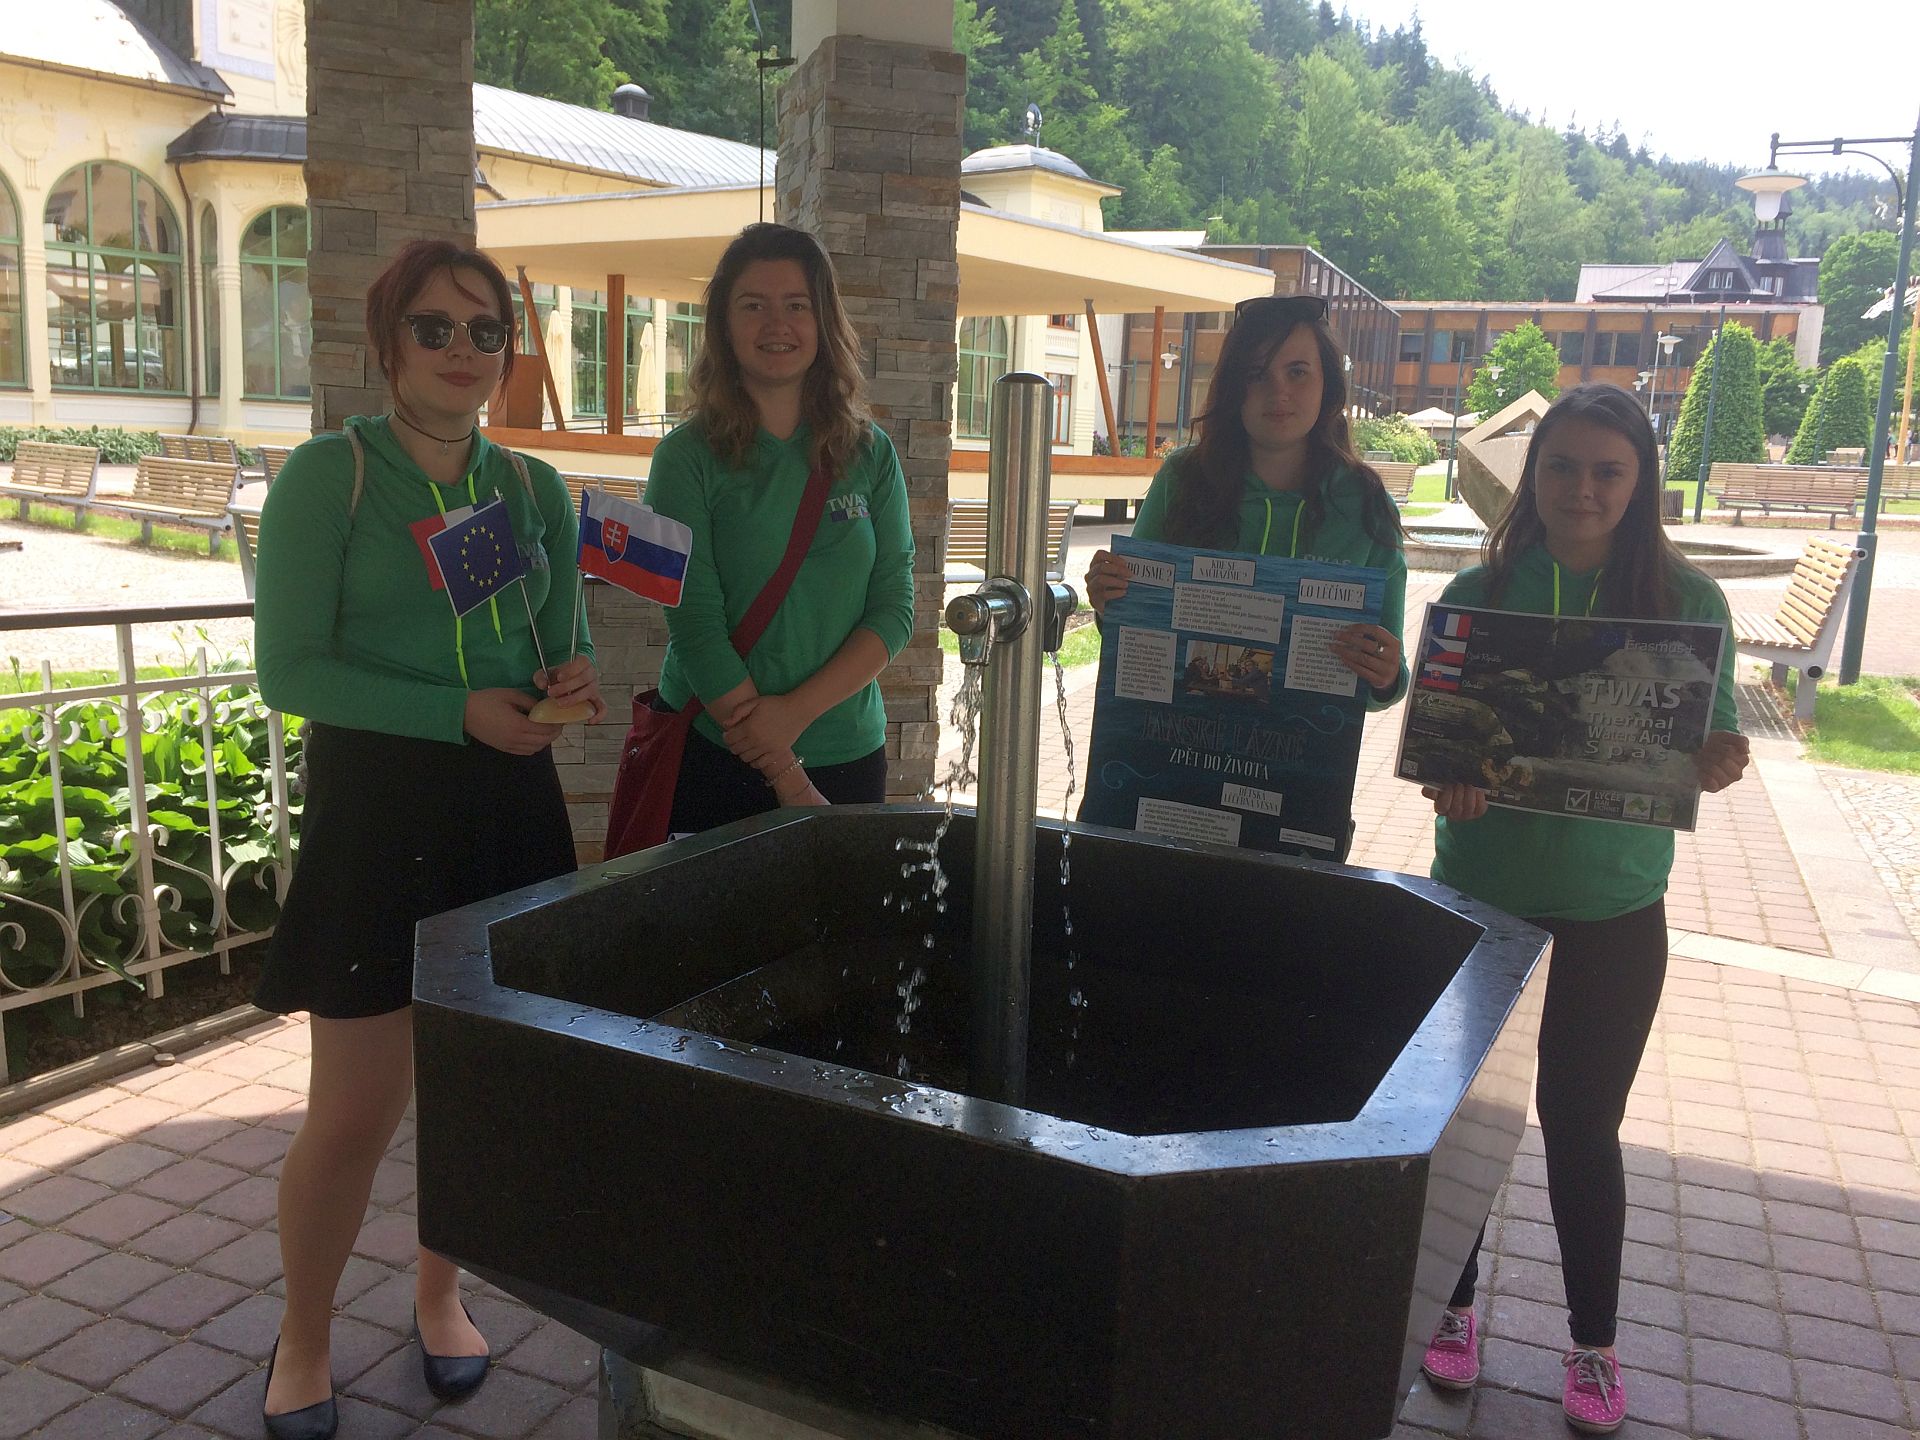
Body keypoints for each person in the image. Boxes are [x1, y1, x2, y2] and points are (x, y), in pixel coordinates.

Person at [252, 239, 604, 1439]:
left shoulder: (531, 490)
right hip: (378, 813)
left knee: (469, 1092)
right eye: (433, 327)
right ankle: (304, 1338)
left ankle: (439, 1295)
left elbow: (556, 642)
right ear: (387, 342)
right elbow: (290, 672)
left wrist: (567, 680)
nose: (462, 350)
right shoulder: (331, 478)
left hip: (506, 810)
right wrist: (455, 712)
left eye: (485, 330)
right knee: (355, 1109)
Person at [1414, 383, 1750, 1435]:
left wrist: (1720, 758)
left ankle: (1594, 1345)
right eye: (1562, 467)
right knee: (1462, 1121)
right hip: (1482, 898)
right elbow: (1441, 742)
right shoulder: (1478, 591)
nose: (1584, 489)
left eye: (1609, 470)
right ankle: (1451, 1305)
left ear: (1641, 481)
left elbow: (1715, 735)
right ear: (1534, 476)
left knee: (1582, 1128)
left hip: (1615, 908)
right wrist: (1449, 778)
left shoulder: (1689, 602)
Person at [643, 222, 915, 833]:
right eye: (753, 306)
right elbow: (696, 627)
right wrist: (786, 771)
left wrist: (795, 713)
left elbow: (895, 608)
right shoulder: (684, 459)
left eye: (797, 305)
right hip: (718, 753)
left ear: (824, 321)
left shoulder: (870, 454)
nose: (777, 324)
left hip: (848, 751)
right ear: (723, 324)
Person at [1084, 294, 1409, 708]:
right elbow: (1133, 633)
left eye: (1297, 372)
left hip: (1302, 745)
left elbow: (1387, 683)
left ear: (1327, 383)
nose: (1279, 392)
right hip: (1180, 740)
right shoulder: (1182, 479)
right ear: (1234, 388)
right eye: (1256, 374)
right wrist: (1109, 601)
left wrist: (1385, 676)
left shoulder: (1367, 506)